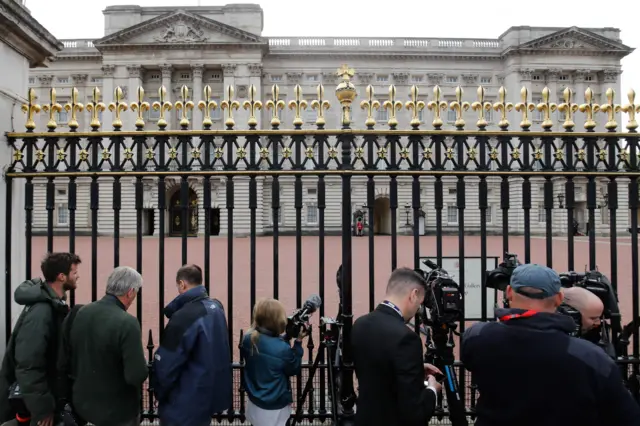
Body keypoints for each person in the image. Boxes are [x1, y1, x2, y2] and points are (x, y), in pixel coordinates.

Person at [461, 263, 640, 426]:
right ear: (559, 298)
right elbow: (626, 417)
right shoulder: (591, 358)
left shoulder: (478, 337)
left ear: (509, 292)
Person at [351, 268, 441, 426]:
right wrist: (432, 390)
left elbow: (380, 370)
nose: (417, 311)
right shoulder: (407, 337)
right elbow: (414, 412)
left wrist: (416, 368)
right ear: (413, 295)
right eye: (419, 304)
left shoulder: (360, 325)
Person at [0, 252, 81, 426]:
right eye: (74, 272)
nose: (77, 276)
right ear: (61, 277)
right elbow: (28, 364)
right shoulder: (42, 312)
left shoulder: (53, 305)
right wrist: (43, 408)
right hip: (37, 407)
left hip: (46, 398)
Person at [64, 266, 148, 426]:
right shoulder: (127, 322)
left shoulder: (82, 313)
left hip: (84, 404)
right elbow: (136, 374)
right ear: (130, 292)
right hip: (117, 410)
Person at [152, 264, 233, 426]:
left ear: (182, 284)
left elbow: (166, 365)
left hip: (183, 403)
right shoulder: (216, 308)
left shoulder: (183, 317)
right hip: (206, 396)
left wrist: (161, 393)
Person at [240, 298, 308, 426]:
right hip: (275, 407)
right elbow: (294, 368)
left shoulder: (248, 339)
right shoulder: (282, 349)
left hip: (255, 402)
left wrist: (285, 338)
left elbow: (267, 347)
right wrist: (298, 343)